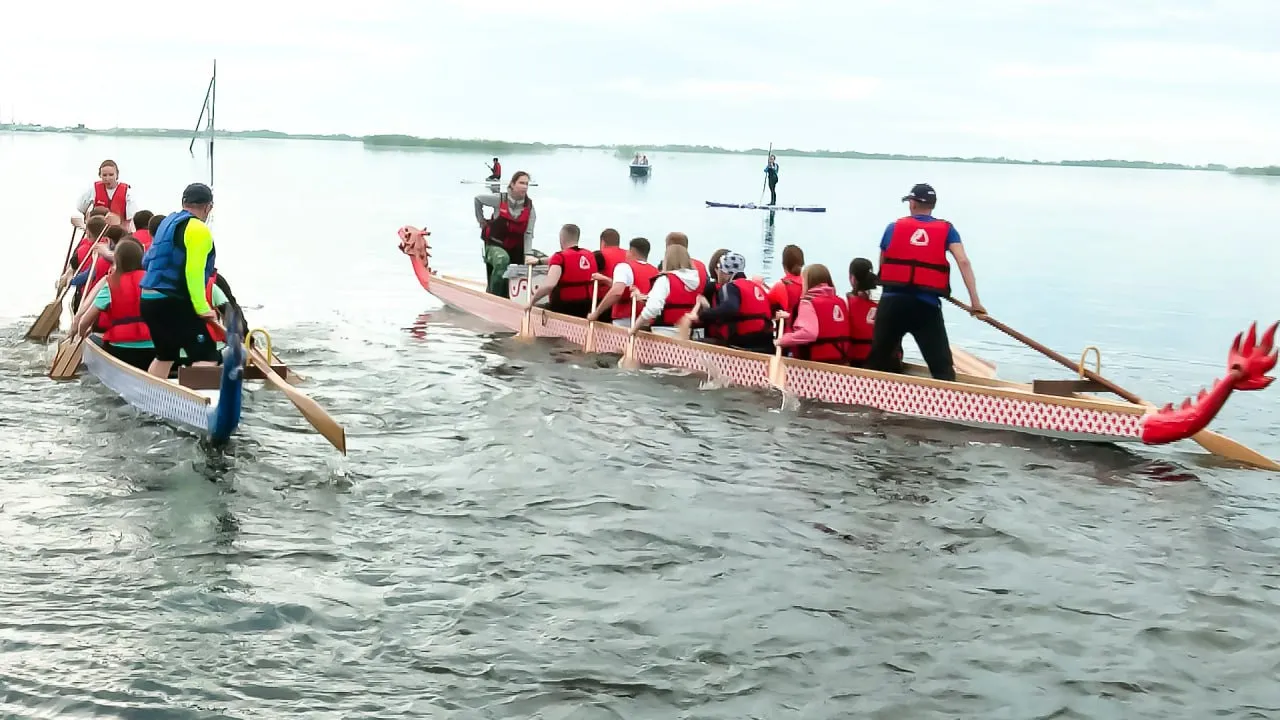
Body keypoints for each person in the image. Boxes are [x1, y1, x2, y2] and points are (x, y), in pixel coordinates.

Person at [867, 183, 986, 381]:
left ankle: (869, 397)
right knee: (942, 369)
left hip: (892, 305)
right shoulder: (948, 230)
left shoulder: (893, 227)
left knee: (877, 361)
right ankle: (949, 402)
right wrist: (975, 303)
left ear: (912, 203)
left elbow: (883, 264)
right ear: (933, 205)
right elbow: (963, 261)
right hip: (926, 307)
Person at [139, 182, 224, 379]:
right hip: (172, 301)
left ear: (183, 202)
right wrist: (202, 308)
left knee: (166, 354)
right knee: (207, 354)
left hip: (148, 299)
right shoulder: (198, 230)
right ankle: (200, 405)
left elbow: (147, 261)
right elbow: (193, 273)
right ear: (208, 207)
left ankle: (152, 399)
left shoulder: (167, 223)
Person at [74, 238, 155, 370]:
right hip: (154, 350)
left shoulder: (111, 285)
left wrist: (80, 337)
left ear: (117, 261)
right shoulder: (153, 281)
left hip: (121, 351)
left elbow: (84, 322)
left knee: (93, 338)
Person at [679, 252, 774, 353]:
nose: (717, 272)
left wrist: (701, 315)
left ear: (725, 272)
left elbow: (730, 308)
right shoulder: (757, 286)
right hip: (767, 344)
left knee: (692, 344)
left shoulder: (730, 287)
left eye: (719, 269)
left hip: (742, 344)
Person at [475, 171, 537, 296]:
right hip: (494, 246)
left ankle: (522, 296)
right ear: (512, 185)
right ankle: (494, 296)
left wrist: (528, 255)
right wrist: (481, 221)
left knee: (539, 259)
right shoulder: (499, 199)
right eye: (521, 183)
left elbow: (528, 234)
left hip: (516, 248)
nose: (524, 186)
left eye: (526, 184)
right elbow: (478, 200)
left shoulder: (529, 207)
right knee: (503, 259)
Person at [774, 263, 852, 363]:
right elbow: (824, 320)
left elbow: (808, 333)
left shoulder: (808, 303)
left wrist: (781, 341)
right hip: (841, 362)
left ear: (807, 282)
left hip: (816, 366)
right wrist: (788, 316)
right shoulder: (840, 301)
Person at [526, 224, 598, 318]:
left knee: (535, 309)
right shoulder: (589, 255)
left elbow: (549, 285)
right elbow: (564, 259)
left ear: (561, 238)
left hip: (563, 307)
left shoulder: (560, 257)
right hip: (587, 306)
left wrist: (531, 302)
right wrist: (539, 261)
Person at [631, 244, 702, 337]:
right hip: (686, 333)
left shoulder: (665, 280)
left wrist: (634, 329)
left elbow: (652, 308)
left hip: (664, 333)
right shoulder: (695, 281)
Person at [588, 237, 657, 327]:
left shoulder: (624, 267)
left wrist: (596, 313)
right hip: (647, 322)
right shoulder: (656, 272)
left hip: (626, 321)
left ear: (632, 251)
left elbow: (617, 292)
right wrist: (606, 279)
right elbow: (627, 288)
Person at [72, 159, 136, 232]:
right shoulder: (94, 190)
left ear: (117, 175)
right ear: (100, 175)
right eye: (104, 175)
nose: (107, 178)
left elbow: (132, 216)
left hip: (119, 232)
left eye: (111, 175)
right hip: (97, 231)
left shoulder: (127, 192)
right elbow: (80, 207)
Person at [846, 257, 887, 368]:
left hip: (859, 363)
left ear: (852, 278)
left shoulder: (847, 304)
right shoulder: (885, 303)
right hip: (889, 362)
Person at [766, 243, 805, 328]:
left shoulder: (780, 286)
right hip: (808, 332)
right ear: (802, 263)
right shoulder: (809, 283)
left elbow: (764, 306)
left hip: (789, 334)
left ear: (784, 265)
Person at [592, 228, 628, 302]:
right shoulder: (629, 256)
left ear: (602, 242)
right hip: (625, 299)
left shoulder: (598, 255)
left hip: (603, 300)